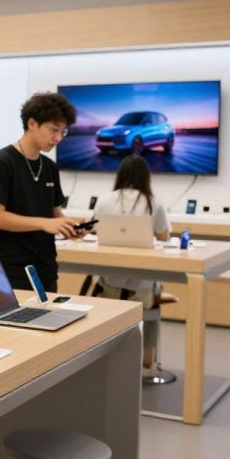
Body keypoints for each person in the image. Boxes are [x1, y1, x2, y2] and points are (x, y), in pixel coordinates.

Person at [0, 92, 85, 292]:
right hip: (6, 272)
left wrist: (70, 228)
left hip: (44, 270)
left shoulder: (49, 167)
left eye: (63, 132)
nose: (58, 138)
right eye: (53, 130)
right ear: (32, 124)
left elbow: (55, 216)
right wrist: (45, 223)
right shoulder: (1, 163)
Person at [93, 155, 171, 370]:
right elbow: (164, 237)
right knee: (155, 291)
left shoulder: (105, 200)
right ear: (147, 177)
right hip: (143, 291)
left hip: (109, 287)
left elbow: (94, 228)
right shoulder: (154, 202)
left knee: (97, 283)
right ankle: (148, 357)